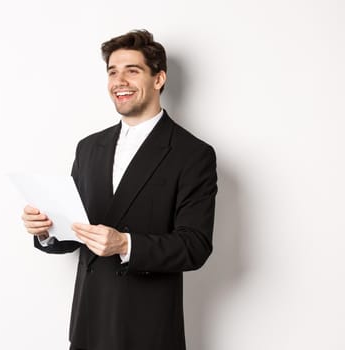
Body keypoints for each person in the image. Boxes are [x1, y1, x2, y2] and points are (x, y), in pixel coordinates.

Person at [22, 29, 217, 350]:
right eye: (113, 72)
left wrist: (125, 244)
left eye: (132, 70)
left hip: (148, 327)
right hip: (89, 321)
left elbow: (195, 246)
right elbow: (74, 232)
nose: (119, 81)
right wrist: (46, 229)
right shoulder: (88, 148)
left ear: (158, 79)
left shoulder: (192, 154)